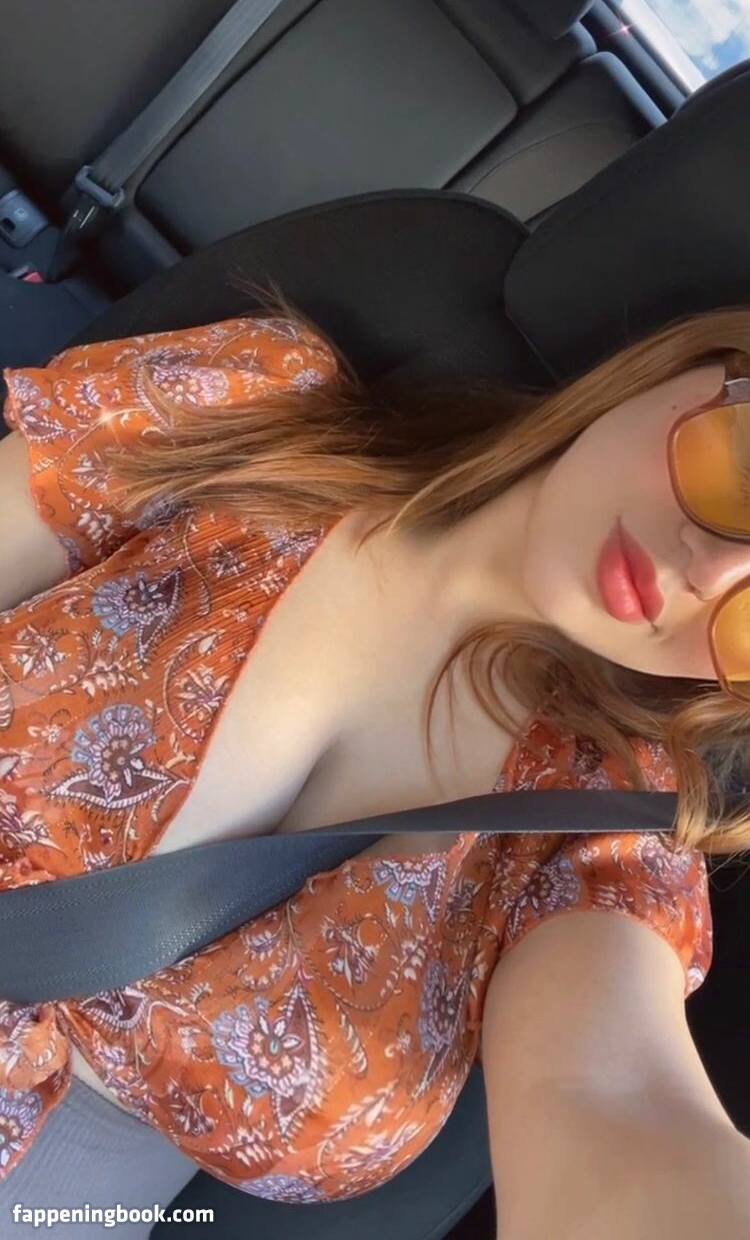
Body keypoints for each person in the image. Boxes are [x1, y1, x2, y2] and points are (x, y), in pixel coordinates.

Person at [1, 304, 750, 1239]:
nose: (708, 570)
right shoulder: (259, 403)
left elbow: (613, 1098)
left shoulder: (608, 836)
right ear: (697, 361)